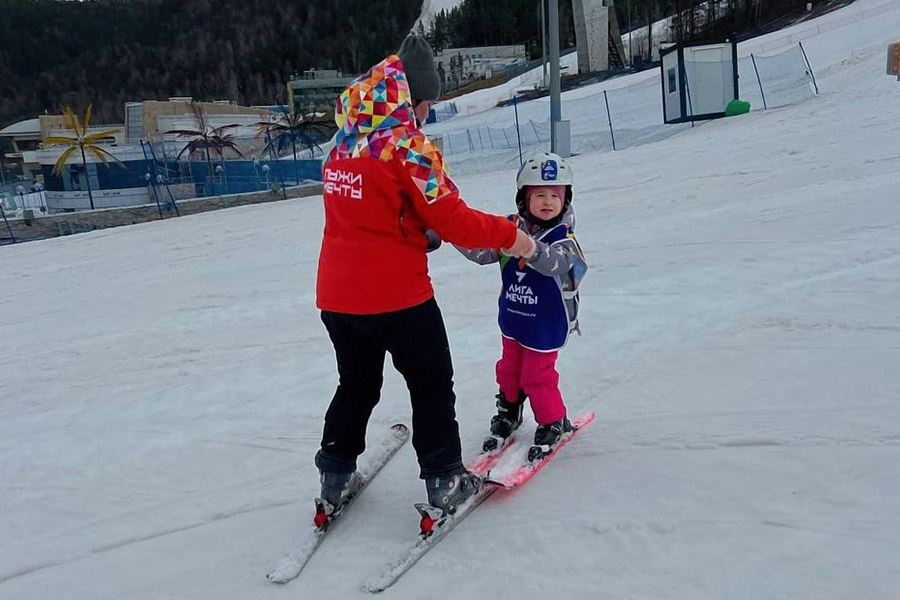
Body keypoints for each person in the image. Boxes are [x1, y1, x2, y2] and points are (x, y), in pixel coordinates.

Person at [314, 34, 536, 519]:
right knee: (431, 382)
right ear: (414, 98)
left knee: (356, 383)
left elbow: (369, 213)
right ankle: (445, 480)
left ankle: (334, 474)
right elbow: (454, 219)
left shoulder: (343, 142)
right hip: (398, 297)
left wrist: (416, 230)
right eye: (429, 104)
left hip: (337, 295)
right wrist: (512, 236)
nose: (429, 114)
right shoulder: (407, 147)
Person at [456, 151, 588, 457]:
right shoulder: (510, 228)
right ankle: (508, 412)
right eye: (539, 195)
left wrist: (526, 247)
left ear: (565, 200)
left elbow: (556, 263)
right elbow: (482, 251)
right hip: (514, 318)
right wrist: (453, 233)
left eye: (555, 196)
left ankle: (554, 421)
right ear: (522, 199)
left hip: (545, 323)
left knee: (537, 376)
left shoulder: (564, 238)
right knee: (509, 369)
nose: (547, 202)